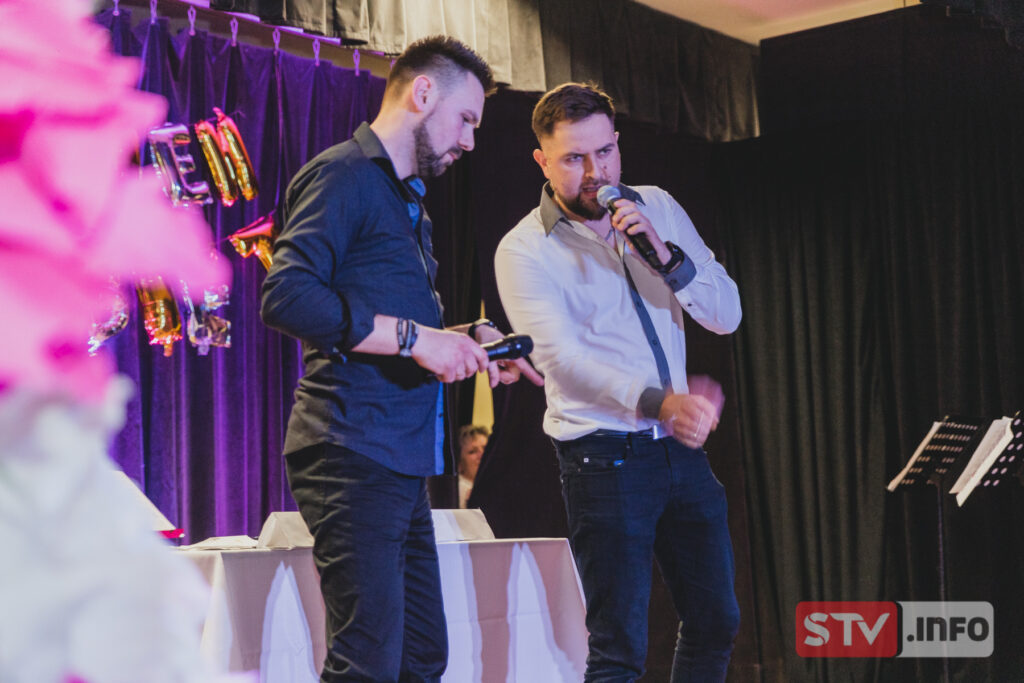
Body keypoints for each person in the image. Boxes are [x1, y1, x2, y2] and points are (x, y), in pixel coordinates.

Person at [260, 36, 542, 682]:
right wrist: (420, 340)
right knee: (368, 662)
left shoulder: (407, 199)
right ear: (422, 92)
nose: (470, 141)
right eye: (465, 119)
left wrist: (463, 339)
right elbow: (288, 295)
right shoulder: (342, 176)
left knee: (420, 655)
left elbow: (394, 327)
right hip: (349, 447)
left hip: (397, 457)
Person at [494, 82, 742, 682]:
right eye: (574, 158)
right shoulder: (524, 249)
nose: (595, 173)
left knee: (716, 621)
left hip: (679, 452)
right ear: (542, 161)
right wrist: (661, 403)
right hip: (602, 458)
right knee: (619, 648)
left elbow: (726, 314)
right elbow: (560, 360)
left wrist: (665, 255)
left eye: (605, 152)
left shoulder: (657, 207)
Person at [456, 424, 490, 508]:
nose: (482, 455)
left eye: (485, 448)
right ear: (460, 462)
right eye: (472, 451)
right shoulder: (457, 491)